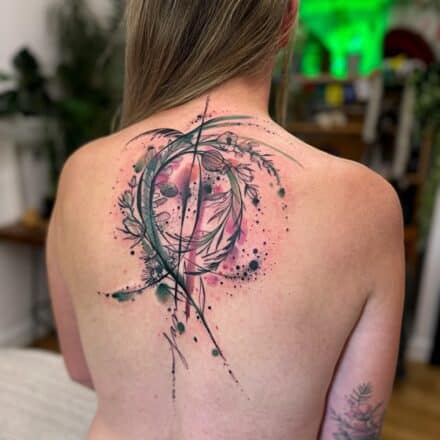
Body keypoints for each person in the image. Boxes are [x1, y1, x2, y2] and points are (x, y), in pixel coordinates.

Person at [46, 1, 405, 439]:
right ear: (287, 18)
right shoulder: (367, 205)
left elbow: (80, 368)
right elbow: (351, 432)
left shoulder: (79, 173)